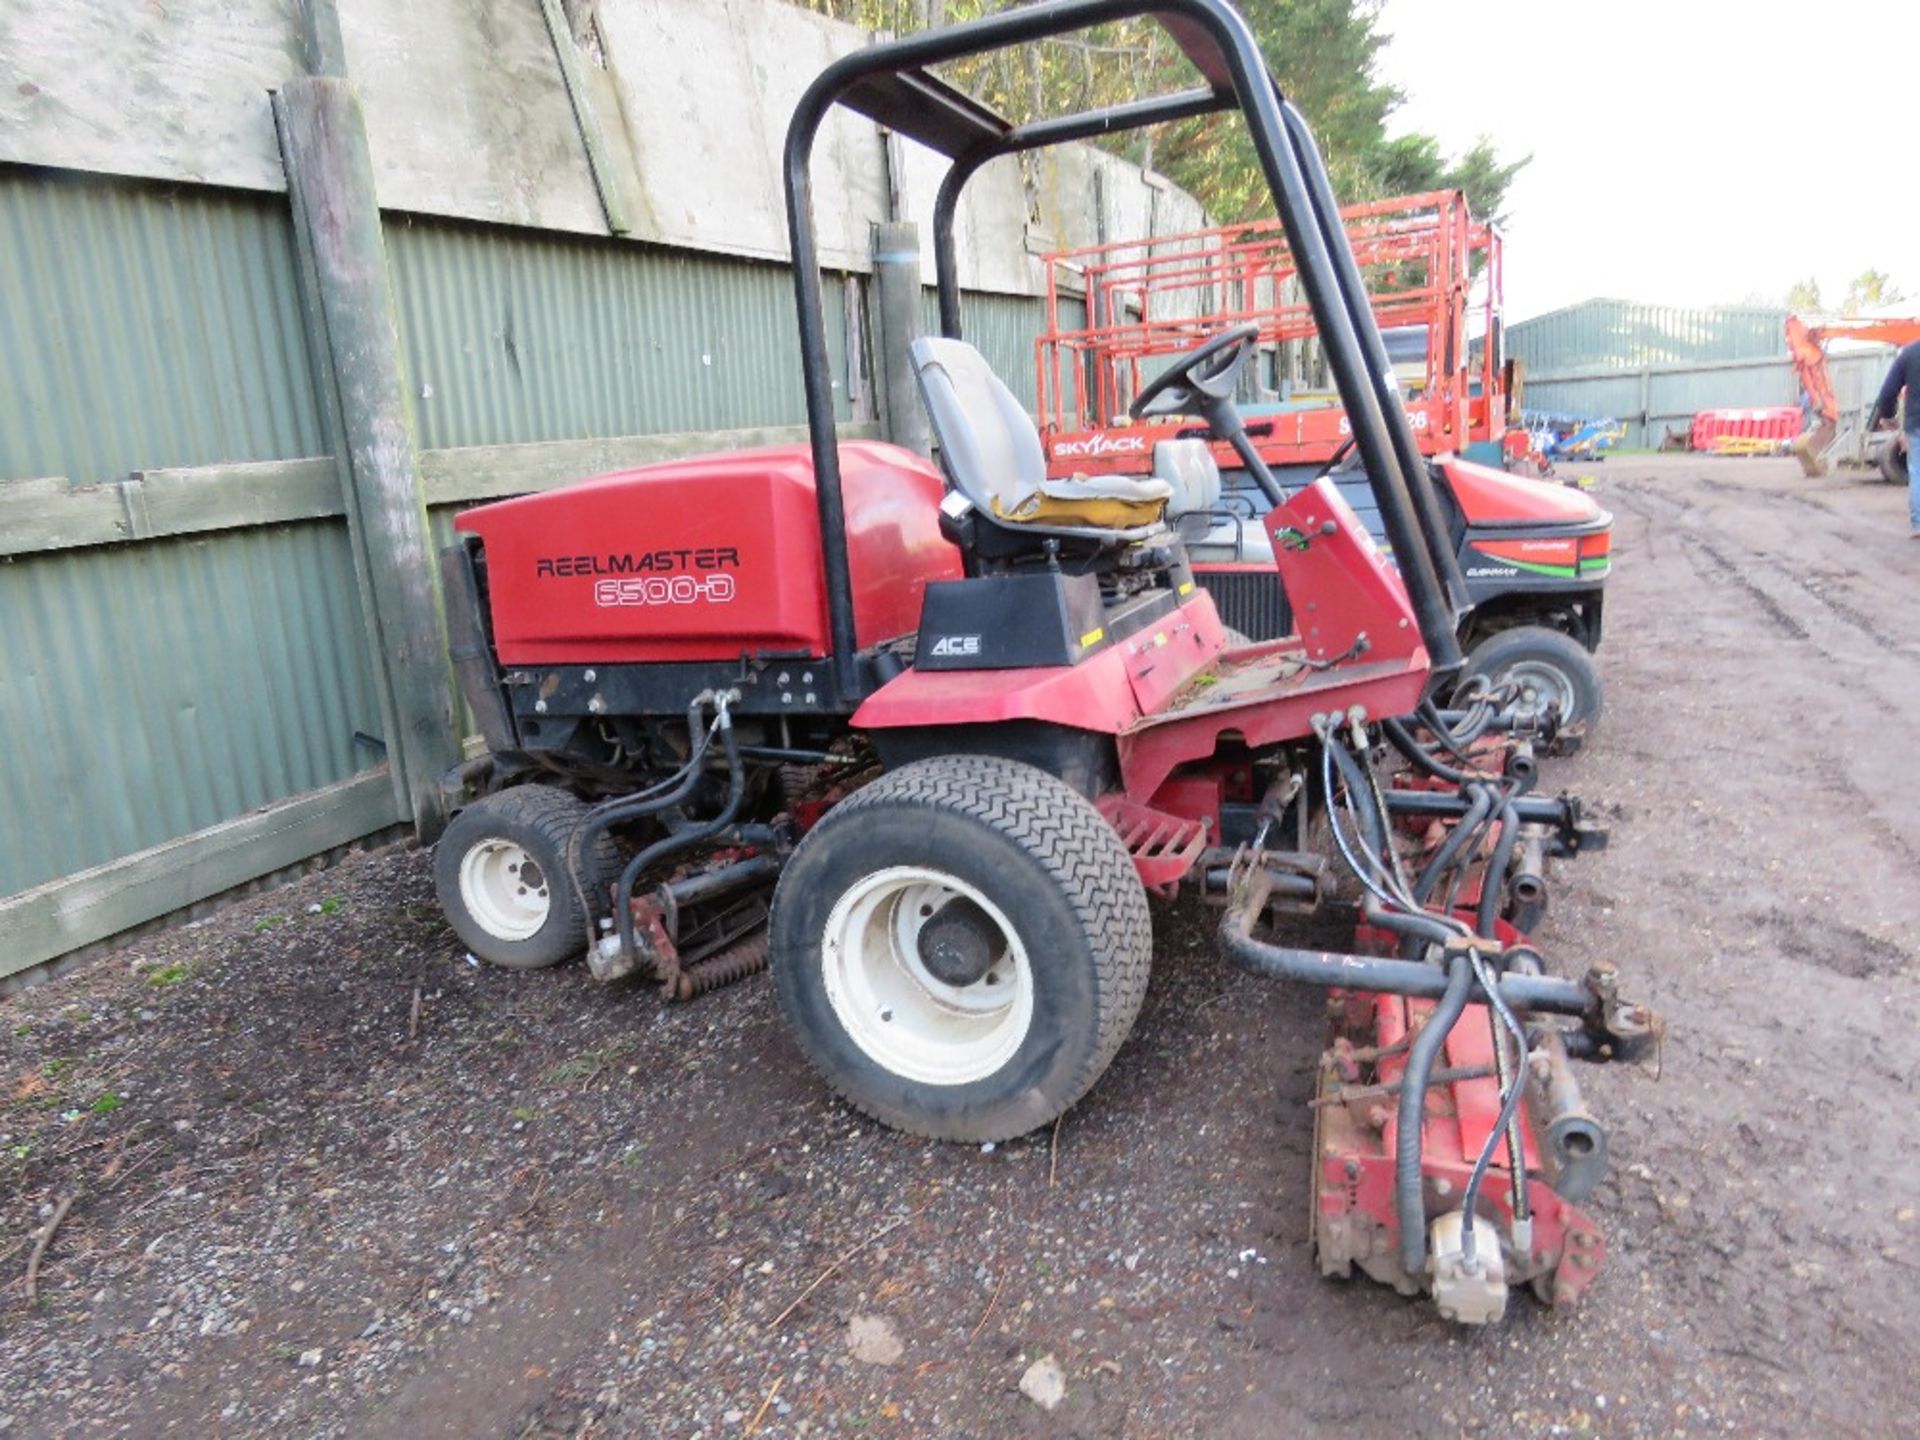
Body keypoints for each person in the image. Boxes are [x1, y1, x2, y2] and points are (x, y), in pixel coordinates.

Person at [1869, 339, 1920, 536]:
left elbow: (1888, 392)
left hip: (1917, 424)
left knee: (1917, 473)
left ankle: (1919, 523)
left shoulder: (1909, 353)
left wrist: (1889, 416)